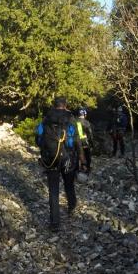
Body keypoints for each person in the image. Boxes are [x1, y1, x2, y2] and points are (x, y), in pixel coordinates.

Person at [35, 97, 87, 231]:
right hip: (67, 158)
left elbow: (38, 139)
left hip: (50, 159)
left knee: (53, 190)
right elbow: (77, 142)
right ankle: (72, 206)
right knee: (69, 183)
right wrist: (83, 160)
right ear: (65, 105)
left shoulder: (46, 119)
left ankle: (55, 223)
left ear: (54, 105)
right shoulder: (71, 119)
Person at [75, 107, 93, 173]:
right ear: (85, 114)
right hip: (84, 141)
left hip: (76, 141)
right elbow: (90, 134)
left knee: (77, 155)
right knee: (87, 155)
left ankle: (77, 169)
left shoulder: (74, 121)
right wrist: (92, 143)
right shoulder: (86, 122)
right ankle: (87, 168)